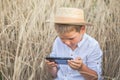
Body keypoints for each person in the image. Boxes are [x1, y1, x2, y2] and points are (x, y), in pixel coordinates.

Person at [45, 7, 103, 80]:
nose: (66, 43)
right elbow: (54, 74)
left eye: (71, 38)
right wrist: (51, 67)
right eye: (62, 38)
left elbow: (95, 78)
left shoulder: (92, 45)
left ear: (82, 29)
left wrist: (81, 68)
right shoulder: (57, 41)